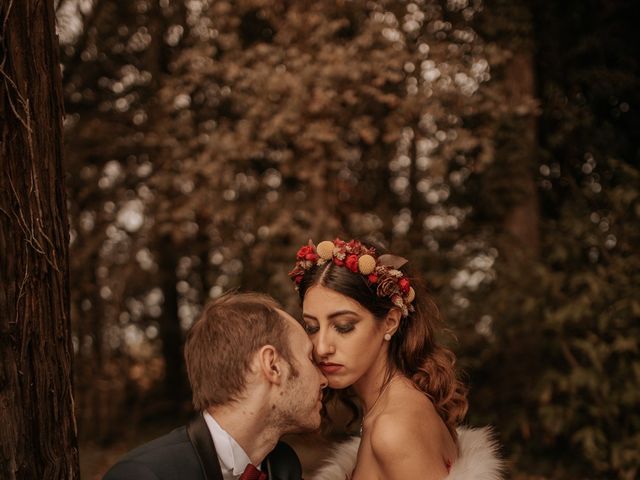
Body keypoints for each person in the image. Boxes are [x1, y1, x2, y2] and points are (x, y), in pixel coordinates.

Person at [289, 238, 503, 480]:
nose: (321, 347)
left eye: (344, 326)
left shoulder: (394, 429)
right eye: (312, 327)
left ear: (390, 322)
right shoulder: (389, 410)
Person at [104, 292, 328, 480]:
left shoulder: (284, 467)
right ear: (273, 365)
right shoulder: (144, 475)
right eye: (310, 358)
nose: (323, 379)